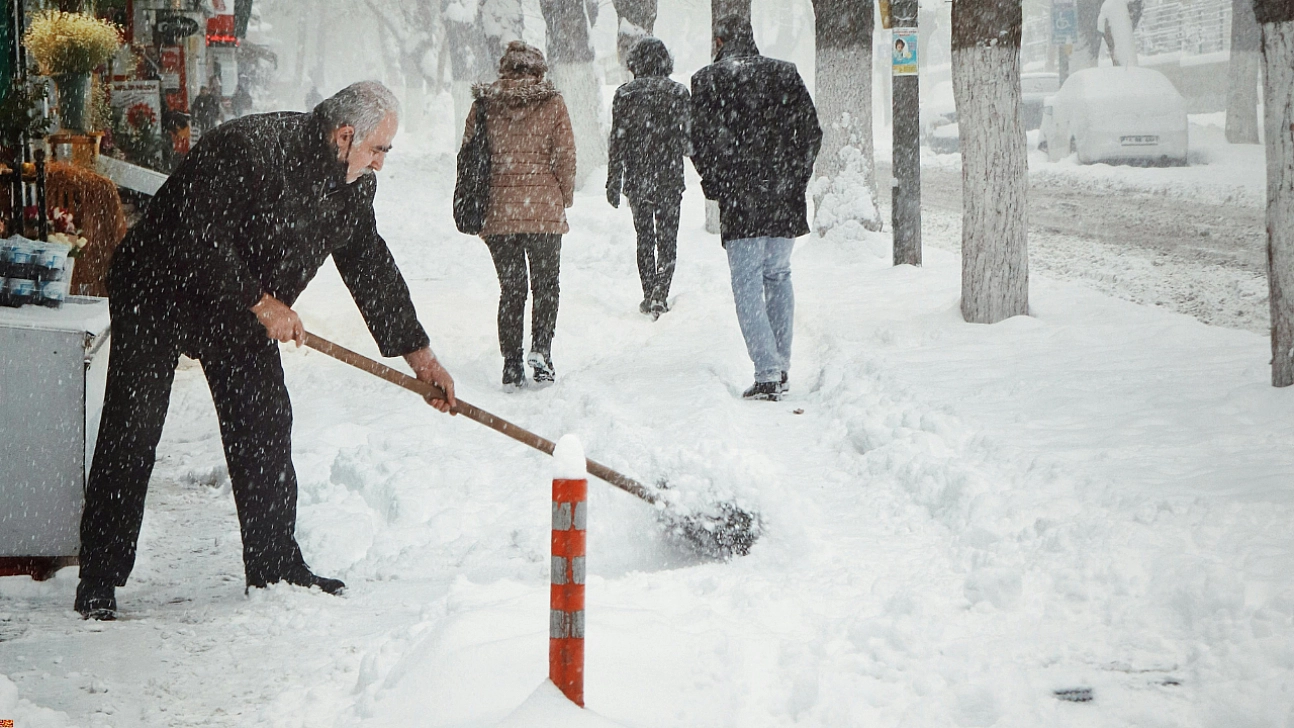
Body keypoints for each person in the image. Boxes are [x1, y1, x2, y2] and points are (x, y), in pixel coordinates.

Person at [74, 81, 457, 620]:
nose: (380, 163)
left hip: (236, 311)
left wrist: (422, 358)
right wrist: (261, 301)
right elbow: (196, 232)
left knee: (264, 421)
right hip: (158, 289)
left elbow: (369, 264)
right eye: (377, 149)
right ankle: (99, 577)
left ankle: (274, 565)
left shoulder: (352, 187)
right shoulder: (250, 148)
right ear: (344, 136)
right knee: (134, 425)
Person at [690, 16, 821, 401]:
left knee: (746, 281)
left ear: (719, 41)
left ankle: (767, 372)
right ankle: (780, 365)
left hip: (741, 198)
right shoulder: (784, 73)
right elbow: (811, 133)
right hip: (783, 197)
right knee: (778, 274)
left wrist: (717, 185)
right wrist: (795, 178)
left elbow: (698, 142)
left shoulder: (708, 80)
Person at [462, 40, 575, 389]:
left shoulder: (484, 106)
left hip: (499, 212)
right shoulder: (552, 103)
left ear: (504, 69)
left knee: (512, 290)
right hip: (543, 212)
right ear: (539, 71)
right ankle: (541, 350)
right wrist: (563, 197)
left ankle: (511, 363)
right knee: (546, 286)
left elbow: (469, 157)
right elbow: (565, 156)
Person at [606, 36, 690, 319]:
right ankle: (660, 293)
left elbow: (617, 142)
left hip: (637, 177)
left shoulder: (624, 95)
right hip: (669, 176)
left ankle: (648, 292)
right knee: (667, 238)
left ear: (635, 63)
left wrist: (613, 180)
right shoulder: (678, 93)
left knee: (644, 238)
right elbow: (688, 140)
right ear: (665, 61)